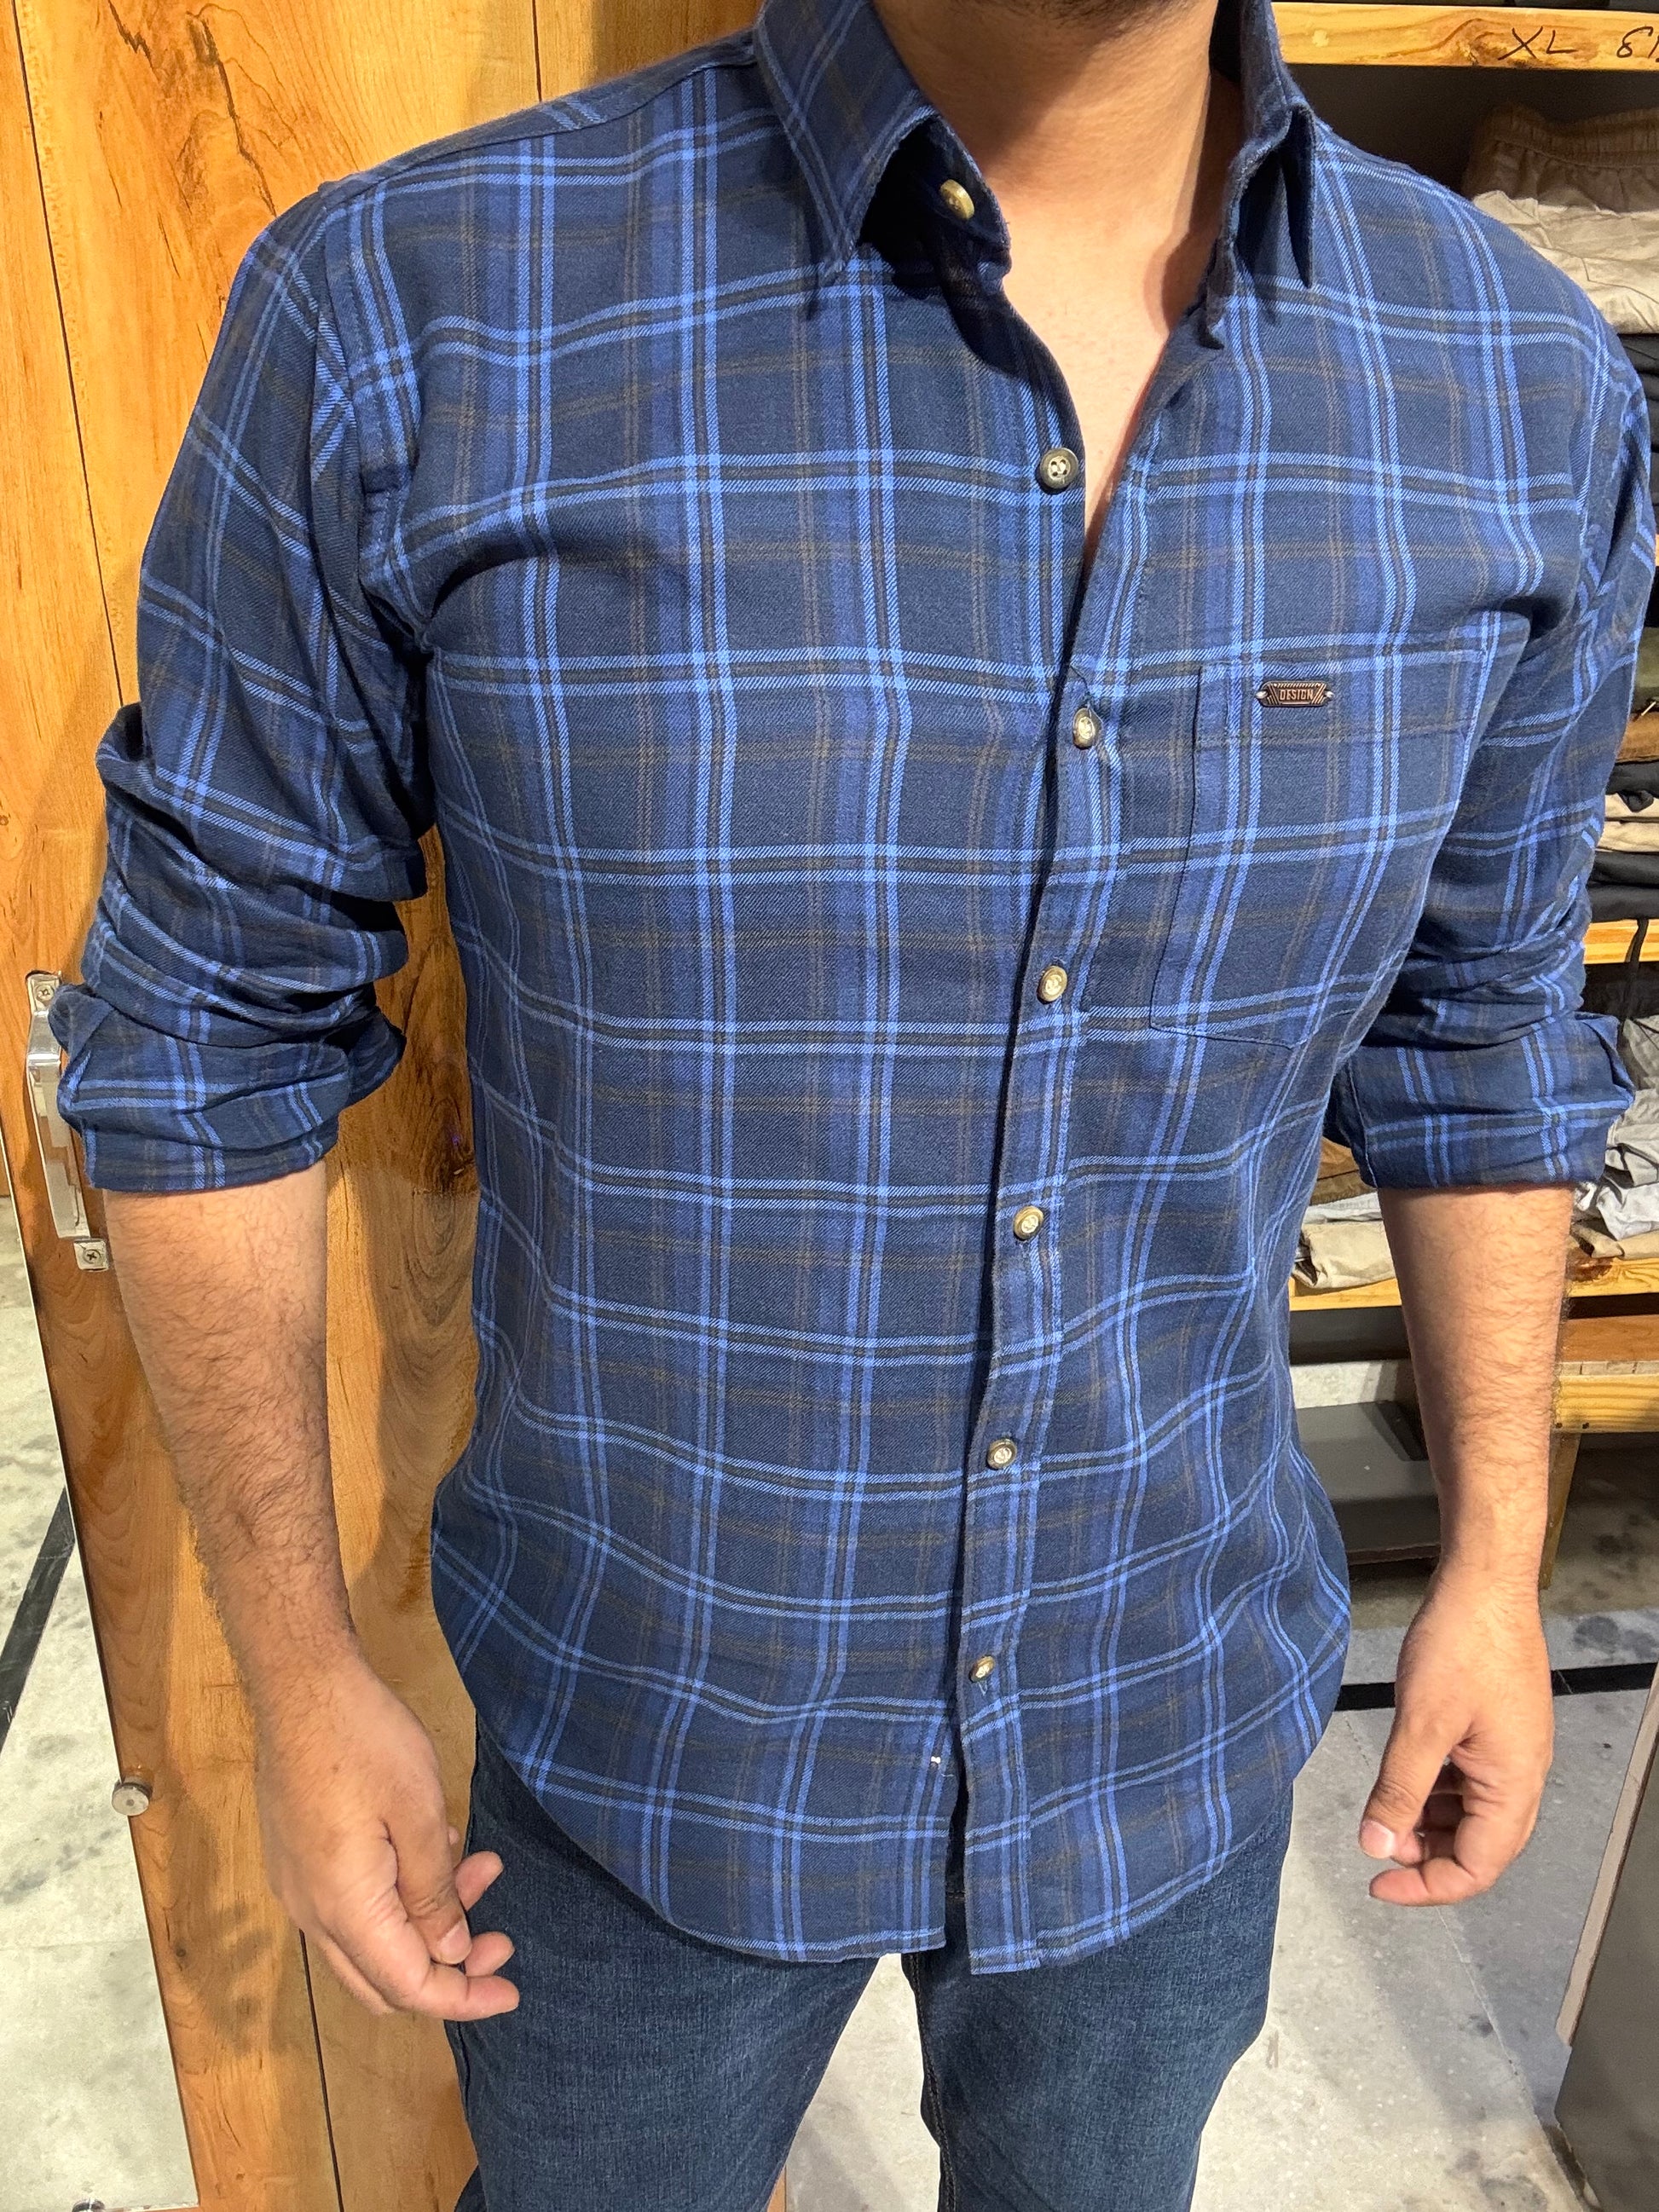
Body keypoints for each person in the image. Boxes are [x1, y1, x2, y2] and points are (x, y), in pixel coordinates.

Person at [49, 0, 1654, 2198]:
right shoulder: (416, 308)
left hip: (1161, 1710)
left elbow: (1481, 1025)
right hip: (649, 1736)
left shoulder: (1518, 385)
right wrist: (296, 1670)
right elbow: (201, 1030)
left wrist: (1493, 1556)